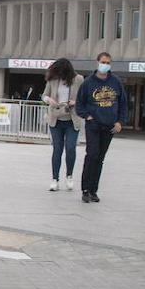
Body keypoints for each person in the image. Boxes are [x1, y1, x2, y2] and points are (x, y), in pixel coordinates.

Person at [75, 52, 127, 203]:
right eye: (103, 62)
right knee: (91, 155)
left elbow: (123, 103)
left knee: (100, 159)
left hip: (109, 126)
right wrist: (87, 116)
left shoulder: (116, 81)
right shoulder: (88, 82)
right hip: (93, 125)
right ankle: (85, 189)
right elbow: (80, 104)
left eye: (108, 62)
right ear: (97, 62)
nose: (105, 64)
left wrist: (120, 122)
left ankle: (93, 190)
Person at [41, 58, 84, 192]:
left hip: (72, 119)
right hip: (56, 119)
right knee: (57, 149)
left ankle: (69, 176)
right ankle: (55, 179)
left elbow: (84, 97)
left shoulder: (78, 79)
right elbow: (44, 95)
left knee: (70, 148)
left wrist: (75, 102)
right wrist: (49, 100)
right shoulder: (53, 80)